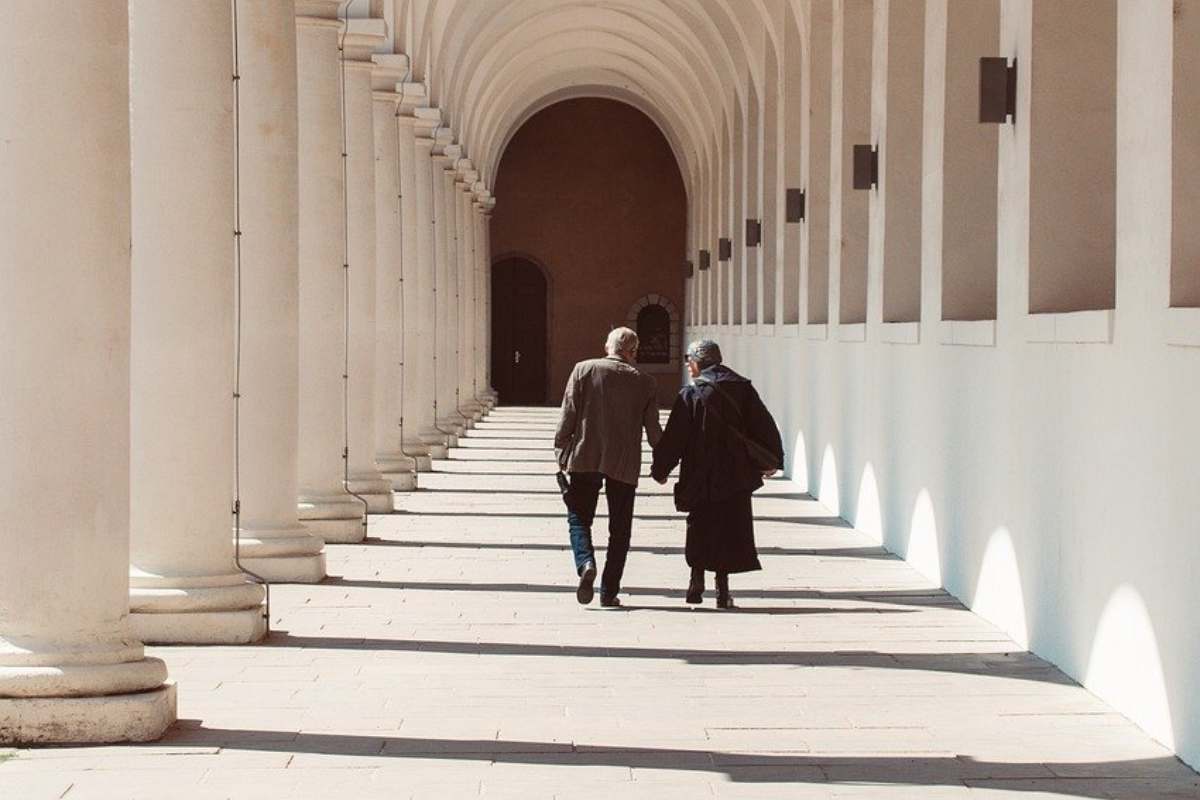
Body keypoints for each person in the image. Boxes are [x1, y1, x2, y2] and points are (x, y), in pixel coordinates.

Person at [651, 339, 783, 609]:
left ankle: (695, 581)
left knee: (699, 525)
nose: (687, 365)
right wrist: (773, 460)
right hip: (735, 474)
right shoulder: (742, 388)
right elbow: (764, 424)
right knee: (728, 528)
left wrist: (661, 469)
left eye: (689, 359)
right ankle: (723, 591)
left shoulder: (691, 393)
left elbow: (675, 437)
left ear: (698, 361)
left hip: (700, 473)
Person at [555, 327, 662, 607]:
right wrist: (664, 463)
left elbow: (568, 412)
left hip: (585, 456)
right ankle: (609, 592)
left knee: (579, 517)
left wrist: (561, 450)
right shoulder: (645, 382)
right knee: (620, 529)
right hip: (624, 462)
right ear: (633, 352)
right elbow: (654, 431)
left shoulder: (583, 370)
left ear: (607, 347)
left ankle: (586, 562)